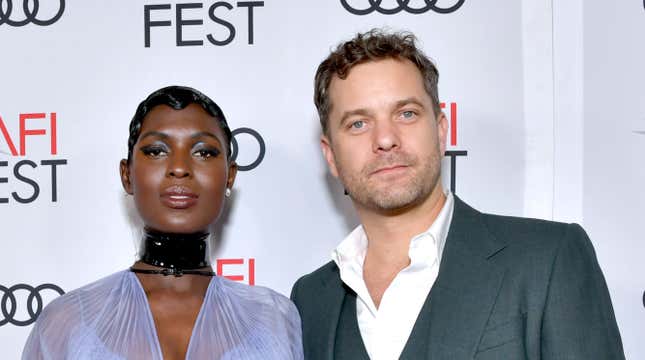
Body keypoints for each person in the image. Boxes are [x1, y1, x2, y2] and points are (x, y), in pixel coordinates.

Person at [290, 29, 625, 360]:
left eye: (406, 113)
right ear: (331, 155)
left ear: (440, 130)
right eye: (358, 123)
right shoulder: (311, 300)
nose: (386, 138)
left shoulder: (547, 260)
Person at [22, 86, 303, 359]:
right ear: (127, 175)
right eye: (156, 151)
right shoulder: (68, 324)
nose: (179, 168)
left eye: (203, 152)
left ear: (230, 176)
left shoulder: (274, 320)